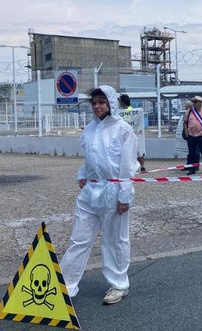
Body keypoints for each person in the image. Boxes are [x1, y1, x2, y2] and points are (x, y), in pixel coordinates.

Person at [60, 86, 139, 305]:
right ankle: (64, 286)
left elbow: (127, 166)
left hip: (113, 192)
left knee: (115, 240)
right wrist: (82, 175)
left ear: (111, 103)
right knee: (79, 239)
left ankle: (119, 285)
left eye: (102, 102)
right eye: (94, 103)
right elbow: (89, 159)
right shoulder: (90, 129)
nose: (97, 106)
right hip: (90, 192)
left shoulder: (123, 130)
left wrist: (125, 196)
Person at [183, 96, 202, 175]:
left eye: (196, 102)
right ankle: (192, 169)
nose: (194, 103)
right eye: (193, 102)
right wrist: (186, 131)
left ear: (200, 103)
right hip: (191, 135)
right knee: (192, 153)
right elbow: (185, 122)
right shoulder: (189, 111)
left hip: (201, 135)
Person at [119, 93, 146, 171]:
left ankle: (137, 165)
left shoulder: (125, 111)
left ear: (122, 102)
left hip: (129, 133)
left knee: (132, 149)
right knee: (139, 148)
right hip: (134, 132)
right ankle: (142, 165)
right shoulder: (132, 110)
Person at [181, 100, 194, 172]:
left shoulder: (189, 112)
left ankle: (193, 165)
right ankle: (190, 165)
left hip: (192, 134)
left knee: (193, 151)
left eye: (186, 106)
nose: (185, 107)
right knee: (191, 151)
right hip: (189, 134)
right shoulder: (189, 112)